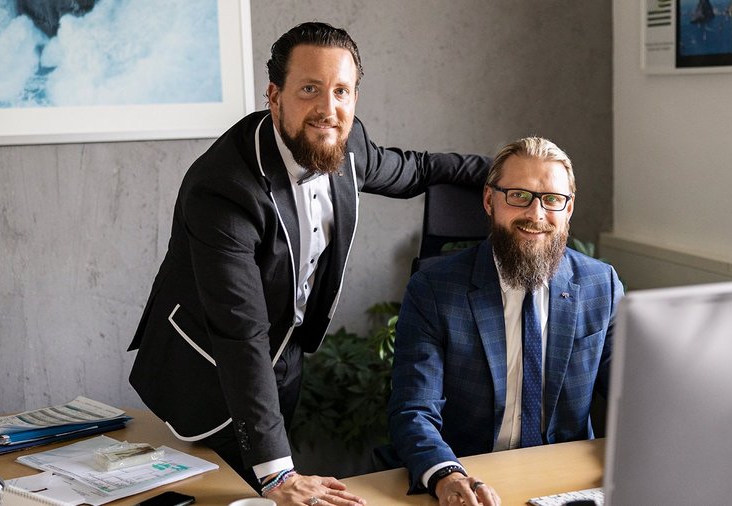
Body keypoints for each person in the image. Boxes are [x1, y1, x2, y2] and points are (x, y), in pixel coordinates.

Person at [127, 22, 489, 505]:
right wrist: (278, 476)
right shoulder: (223, 189)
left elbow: (419, 169)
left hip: (284, 359)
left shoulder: (348, 142)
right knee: (227, 494)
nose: (328, 108)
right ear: (274, 96)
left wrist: (511, 174)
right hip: (206, 372)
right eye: (310, 90)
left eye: (342, 91)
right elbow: (241, 335)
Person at [387, 137, 624, 506]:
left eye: (552, 199)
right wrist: (446, 474)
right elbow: (413, 409)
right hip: (474, 479)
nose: (536, 214)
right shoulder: (434, 289)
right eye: (519, 195)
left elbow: (632, 395)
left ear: (569, 208)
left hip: (567, 481)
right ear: (489, 200)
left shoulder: (601, 285)